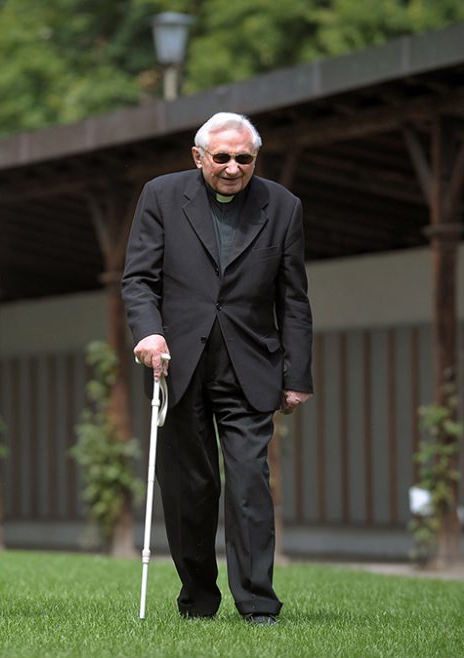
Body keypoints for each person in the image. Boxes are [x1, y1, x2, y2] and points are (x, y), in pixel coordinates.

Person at [121, 111, 313, 625]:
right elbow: (139, 279)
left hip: (251, 365)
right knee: (190, 488)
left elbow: (293, 298)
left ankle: (258, 605)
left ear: (255, 159)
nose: (232, 168)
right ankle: (198, 600)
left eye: (243, 159)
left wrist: (297, 377)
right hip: (177, 363)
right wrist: (148, 332)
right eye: (222, 157)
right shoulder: (161, 195)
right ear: (198, 156)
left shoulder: (283, 206)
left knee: (250, 482)